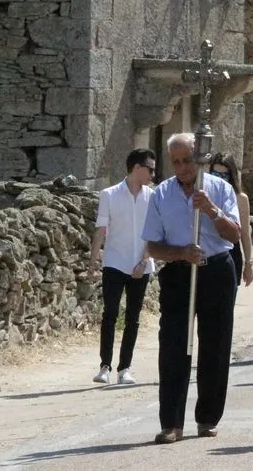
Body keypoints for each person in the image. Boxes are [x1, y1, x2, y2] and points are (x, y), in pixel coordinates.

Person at [142, 132, 241, 444]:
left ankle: (208, 417)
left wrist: (212, 210)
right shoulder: (160, 195)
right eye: (176, 162)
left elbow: (235, 235)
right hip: (179, 274)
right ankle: (171, 422)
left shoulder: (220, 189)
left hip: (215, 271)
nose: (182, 168)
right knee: (173, 346)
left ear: (200, 159)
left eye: (187, 160)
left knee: (215, 344)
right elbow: (153, 246)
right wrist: (181, 253)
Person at [89, 148, 157, 385]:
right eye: (150, 169)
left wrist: (143, 262)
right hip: (115, 262)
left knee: (133, 317)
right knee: (110, 314)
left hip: (141, 265)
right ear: (137, 168)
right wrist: (93, 264)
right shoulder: (109, 194)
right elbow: (101, 230)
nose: (153, 174)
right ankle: (105, 366)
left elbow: (153, 233)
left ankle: (124, 368)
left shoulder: (152, 196)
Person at [209, 153, 253, 288]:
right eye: (215, 174)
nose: (220, 179)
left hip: (231, 254)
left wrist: (248, 263)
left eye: (224, 175)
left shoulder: (240, 198)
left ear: (231, 175)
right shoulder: (201, 194)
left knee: (226, 306)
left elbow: (245, 233)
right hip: (208, 252)